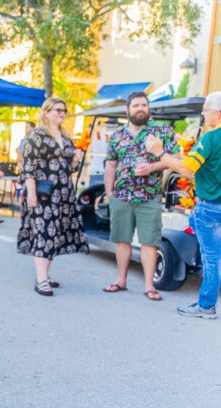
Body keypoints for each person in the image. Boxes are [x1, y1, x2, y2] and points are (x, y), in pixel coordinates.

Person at [145, 91, 221, 319]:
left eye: (206, 109)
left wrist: (159, 153)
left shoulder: (210, 138)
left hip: (210, 208)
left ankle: (206, 306)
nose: (204, 113)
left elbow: (187, 170)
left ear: (217, 113)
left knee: (211, 259)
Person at [103, 92, 178, 301]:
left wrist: (152, 167)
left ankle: (148, 286)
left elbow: (176, 159)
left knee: (150, 241)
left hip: (150, 196)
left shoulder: (162, 132)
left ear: (148, 109)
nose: (140, 109)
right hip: (121, 196)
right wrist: (110, 194)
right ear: (128, 110)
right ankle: (121, 280)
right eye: (136, 105)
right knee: (121, 239)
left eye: (144, 105)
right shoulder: (117, 135)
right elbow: (110, 165)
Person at [17, 97, 89, 296]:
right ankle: (41, 280)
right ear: (46, 113)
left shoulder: (65, 137)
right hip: (43, 194)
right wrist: (31, 193)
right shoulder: (37, 136)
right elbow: (28, 168)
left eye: (64, 110)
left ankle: (44, 275)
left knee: (55, 234)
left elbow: (68, 169)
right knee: (44, 233)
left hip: (63, 193)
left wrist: (74, 160)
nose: (62, 113)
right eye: (57, 110)